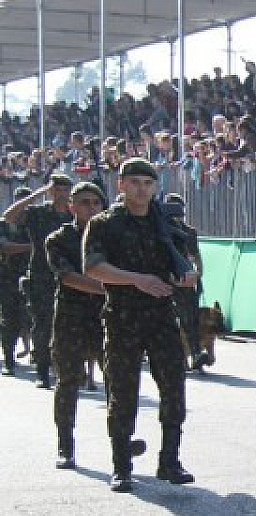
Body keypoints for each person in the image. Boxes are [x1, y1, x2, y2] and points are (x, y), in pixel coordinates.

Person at [83, 158, 198, 493]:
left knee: (174, 387)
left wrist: (188, 275)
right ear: (121, 186)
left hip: (162, 316)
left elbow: (185, 263)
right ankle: (121, 466)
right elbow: (93, 267)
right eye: (134, 182)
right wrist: (137, 280)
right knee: (123, 392)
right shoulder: (104, 224)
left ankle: (170, 460)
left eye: (147, 183)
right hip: (122, 317)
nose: (141, 189)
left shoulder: (164, 223)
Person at [44, 182, 107, 470]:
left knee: (119, 380)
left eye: (96, 202)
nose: (91, 208)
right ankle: (65, 444)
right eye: (84, 202)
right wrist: (114, 287)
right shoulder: (58, 239)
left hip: (108, 317)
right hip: (71, 316)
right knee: (68, 381)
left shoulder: (111, 237)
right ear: (71, 206)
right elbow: (68, 277)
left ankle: (122, 440)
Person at [2, 173, 74, 388]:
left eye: (64, 189)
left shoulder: (73, 214)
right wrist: (38, 194)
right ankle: (43, 371)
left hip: (69, 274)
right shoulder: (38, 213)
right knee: (42, 324)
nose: (61, 193)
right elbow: (9, 216)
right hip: (42, 275)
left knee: (69, 324)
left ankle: (65, 368)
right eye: (57, 189)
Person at [163, 193, 205, 371]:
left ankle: (196, 354)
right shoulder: (160, 229)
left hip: (186, 281)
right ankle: (177, 357)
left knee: (191, 320)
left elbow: (196, 256)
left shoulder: (189, 232)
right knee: (169, 322)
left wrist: (197, 274)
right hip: (165, 281)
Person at [0, 187, 33, 375]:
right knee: (10, 320)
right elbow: (4, 247)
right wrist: (32, 246)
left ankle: (40, 355)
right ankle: (10, 360)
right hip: (8, 279)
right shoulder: (4, 224)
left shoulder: (36, 222)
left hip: (33, 277)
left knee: (32, 318)